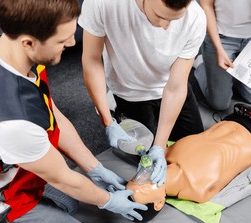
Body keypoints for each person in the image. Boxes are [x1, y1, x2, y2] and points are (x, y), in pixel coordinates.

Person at [0, 0, 147, 223]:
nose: (73, 43)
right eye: (62, 40)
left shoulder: (10, 52)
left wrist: (94, 168)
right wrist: (107, 201)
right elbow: (62, 178)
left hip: (12, 163)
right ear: (29, 42)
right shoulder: (13, 121)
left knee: (69, 203)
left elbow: (54, 117)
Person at [78, 0, 207, 187]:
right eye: (160, 16)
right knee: (143, 161)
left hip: (168, 85)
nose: (165, 27)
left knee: (195, 153)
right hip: (130, 91)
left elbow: (176, 87)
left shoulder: (195, 17)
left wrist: (159, 146)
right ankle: (113, 106)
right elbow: (91, 61)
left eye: (174, 20)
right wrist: (108, 121)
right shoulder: (103, 3)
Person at [125, 104, 251, 222]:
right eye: (143, 189)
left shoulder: (162, 154)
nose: (142, 178)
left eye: (134, 179)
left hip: (231, 119)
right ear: (159, 203)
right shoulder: (198, 190)